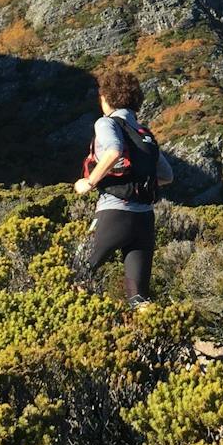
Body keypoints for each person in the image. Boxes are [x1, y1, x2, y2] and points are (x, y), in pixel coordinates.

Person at [74, 68, 174, 304]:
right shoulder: (144, 133)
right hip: (144, 220)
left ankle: (75, 329)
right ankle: (150, 336)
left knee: (73, 272)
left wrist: (88, 182)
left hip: (113, 213)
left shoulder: (106, 123)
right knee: (138, 296)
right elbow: (167, 175)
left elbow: (114, 150)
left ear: (105, 98)